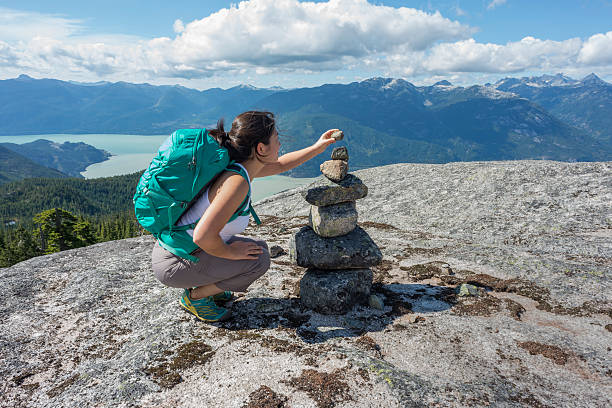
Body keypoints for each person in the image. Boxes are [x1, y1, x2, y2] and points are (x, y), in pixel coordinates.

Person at [151, 111, 338, 322]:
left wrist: (317, 147)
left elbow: (282, 164)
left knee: (257, 247)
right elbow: (202, 236)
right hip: (174, 264)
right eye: (276, 139)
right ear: (260, 148)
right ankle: (195, 297)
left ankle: (210, 287)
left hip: (180, 252)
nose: (279, 145)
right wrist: (230, 253)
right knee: (258, 260)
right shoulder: (236, 182)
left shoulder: (240, 167)